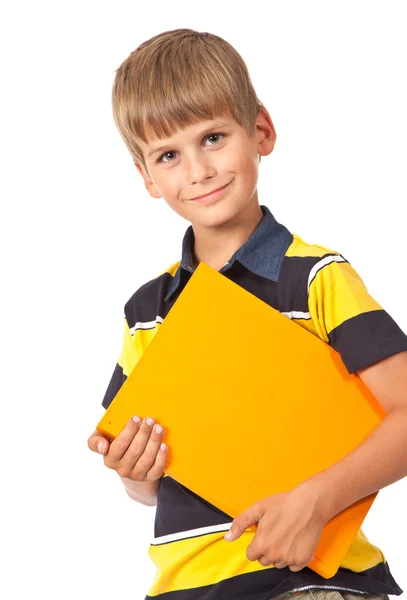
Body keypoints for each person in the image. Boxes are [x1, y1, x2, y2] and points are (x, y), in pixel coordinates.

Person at [87, 28, 407, 600]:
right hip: (184, 588)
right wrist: (135, 471)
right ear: (146, 177)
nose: (199, 170)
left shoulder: (313, 278)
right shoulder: (146, 312)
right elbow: (152, 485)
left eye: (213, 138)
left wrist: (317, 500)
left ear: (261, 130)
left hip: (307, 584)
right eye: (168, 155)